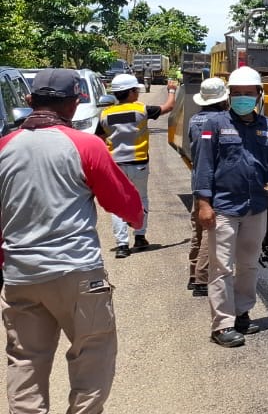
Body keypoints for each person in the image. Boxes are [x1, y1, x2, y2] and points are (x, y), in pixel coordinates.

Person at [0, 68, 143, 414]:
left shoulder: (3, 147)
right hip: (76, 272)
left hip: (20, 276)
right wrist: (137, 220)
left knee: (25, 362)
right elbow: (123, 202)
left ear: (29, 101)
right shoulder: (86, 145)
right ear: (74, 103)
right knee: (92, 354)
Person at [193, 66, 268, 348]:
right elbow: (204, 165)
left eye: (249, 93)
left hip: (256, 206)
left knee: (248, 264)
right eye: (237, 94)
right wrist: (203, 202)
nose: (243, 98)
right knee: (221, 266)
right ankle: (221, 325)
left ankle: (242, 313)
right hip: (223, 206)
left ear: (259, 95)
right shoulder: (215, 124)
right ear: (229, 96)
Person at [99, 72, 177, 258]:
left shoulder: (106, 114)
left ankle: (121, 245)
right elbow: (168, 107)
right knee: (141, 198)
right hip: (139, 163)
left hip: (116, 165)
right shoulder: (141, 110)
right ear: (132, 92)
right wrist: (172, 90)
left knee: (119, 203)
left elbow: (100, 138)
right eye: (136, 90)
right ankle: (140, 237)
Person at [185, 77, 230, 297]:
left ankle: (193, 275)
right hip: (214, 184)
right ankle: (203, 279)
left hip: (197, 182)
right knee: (210, 231)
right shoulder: (222, 121)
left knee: (198, 228)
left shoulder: (194, 120)